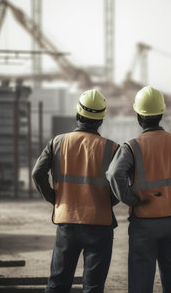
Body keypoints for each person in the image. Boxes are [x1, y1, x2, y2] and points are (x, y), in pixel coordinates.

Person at [106, 86, 171, 293]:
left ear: (139, 116)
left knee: (141, 282)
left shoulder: (132, 146)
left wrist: (131, 199)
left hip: (144, 223)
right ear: (161, 113)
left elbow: (114, 174)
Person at [32, 89, 119, 293]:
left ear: (78, 114)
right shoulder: (112, 148)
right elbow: (119, 181)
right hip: (100, 223)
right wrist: (108, 202)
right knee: (93, 287)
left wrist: (55, 198)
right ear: (101, 120)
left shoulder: (58, 142)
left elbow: (37, 173)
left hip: (67, 221)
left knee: (58, 284)